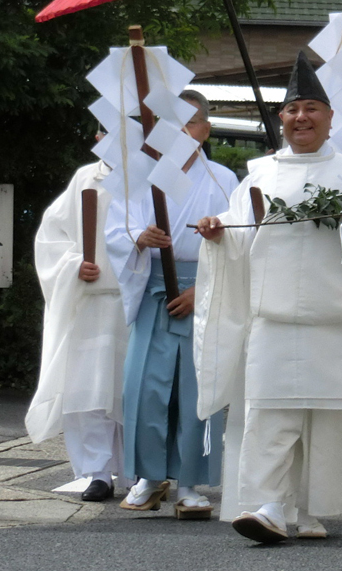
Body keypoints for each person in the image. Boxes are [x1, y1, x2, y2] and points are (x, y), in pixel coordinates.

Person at [193, 53, 342, 543]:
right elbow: (241, 239)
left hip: (328, 321)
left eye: (312, 109)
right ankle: (270, 505)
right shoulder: (257, 176)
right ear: (281, 118)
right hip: (271, 320)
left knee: (324, 424)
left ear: (330, 117)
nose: (302, 117)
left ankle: (307, 507)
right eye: (293, 109)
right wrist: (218, 234)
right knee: (272, 417)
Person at [106, 90, 237, 518]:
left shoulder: (222, 179)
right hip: (153, 288)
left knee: (196, 389)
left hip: (204, 287)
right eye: (172, 126)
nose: (180, 134)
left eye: (189, 125)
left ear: (204, 130)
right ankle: (148, 476)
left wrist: (205, 290)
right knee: (143, 384)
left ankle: (189, 483)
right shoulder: (142, 177)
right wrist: (137, 238)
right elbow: (115, 228)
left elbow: (239, 240)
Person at [27, 153, 134, 503]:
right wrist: (75, 265)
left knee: (131, 389)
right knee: (89, 389)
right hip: (92, 300)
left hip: (136, 298)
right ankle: (99, 472)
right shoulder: (87, 178)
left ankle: (140, 471)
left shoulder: (150, 177)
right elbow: (50, 238)